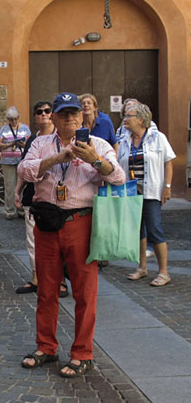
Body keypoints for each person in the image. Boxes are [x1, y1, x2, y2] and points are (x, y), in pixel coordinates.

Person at [18, 92, 125, 378]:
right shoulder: (41, 143)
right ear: (53, 117)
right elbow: (25, 170)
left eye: (74, 114)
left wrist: (95, 160)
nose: (69, 119)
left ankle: (82, 353)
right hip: (48, 223)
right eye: (63, 114)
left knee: (85, 292)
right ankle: (46, 347)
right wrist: (55, 159)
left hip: (82, 222)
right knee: (47, 289)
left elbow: (118, 176)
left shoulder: (98, 144)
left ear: (83, 116)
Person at [118, 102, 175, 286]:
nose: (125, 119)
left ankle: (164, 272)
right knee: (137, 231)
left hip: (151, 191)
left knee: (154, 230)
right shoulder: (124, 138)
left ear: (141, 119)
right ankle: (142, 267)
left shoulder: (157, 137)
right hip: (132, 191)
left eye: (129, 116)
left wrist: (167, 186)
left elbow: (168, 162)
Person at [13, 100, 66, 296]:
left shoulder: (60, 139)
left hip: (56, 196)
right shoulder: (31, 141)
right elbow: (24, 168)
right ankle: (36, 278)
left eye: (47, 111)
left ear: (52, 115)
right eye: (39, 112)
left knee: (58, 241)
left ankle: (60, 281)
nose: (43, 114)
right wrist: (17, 190)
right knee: (32, 240)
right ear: (35, 117)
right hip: (32, 196)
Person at [0, 106, 31, 219]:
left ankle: (21, 210)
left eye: (15, 118)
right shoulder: (4, 129)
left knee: (21, 186)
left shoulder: (25, 128)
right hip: (7, 161)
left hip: (21, 160)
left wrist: (23, 145)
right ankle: (10, 211)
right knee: (9, 186)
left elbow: (31, 144)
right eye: (11, 119)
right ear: (8, 119)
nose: (14, 121)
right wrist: (9, 144)